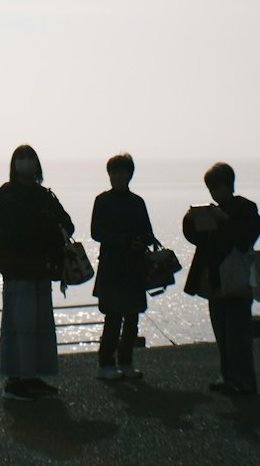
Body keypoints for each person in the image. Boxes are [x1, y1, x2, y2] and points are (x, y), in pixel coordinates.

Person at [0, 144, 73, 401]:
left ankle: (32, 376)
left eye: (29, 158)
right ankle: (15, 380)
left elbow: (67, 223)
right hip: (17, 268)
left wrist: (44, 223)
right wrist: (47, 223)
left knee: (38, 325)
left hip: (41, 269)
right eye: (21, 158)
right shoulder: (8, 193)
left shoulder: (44, 195)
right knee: (20, 324)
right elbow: (20, 226)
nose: (25, 162)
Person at [182, 161, 260, 396]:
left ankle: (243, 381)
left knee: (238, 334)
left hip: (235, 278)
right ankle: (228, 377)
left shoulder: (245, 208)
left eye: (217, 188)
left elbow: (247, 236)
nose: (214, 193)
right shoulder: (213, 212)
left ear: (229, 185)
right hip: (216, 280)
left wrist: (224, 219)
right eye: (211, 188)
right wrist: (190, 219)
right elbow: (196, 238)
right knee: (223, 333)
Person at [90, 153, 155, 381]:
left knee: (132, 318)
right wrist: (126, 240)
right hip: (112, 266)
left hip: (133, 266)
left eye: (122, 172)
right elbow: (96, 232)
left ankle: (126, 362)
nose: (118, 176)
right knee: (113, 318)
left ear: (130, 175)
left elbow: (148, 232)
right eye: (114, 172)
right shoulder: (102, 200)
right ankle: (105, 363)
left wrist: (141, 241)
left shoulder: (138, 202)